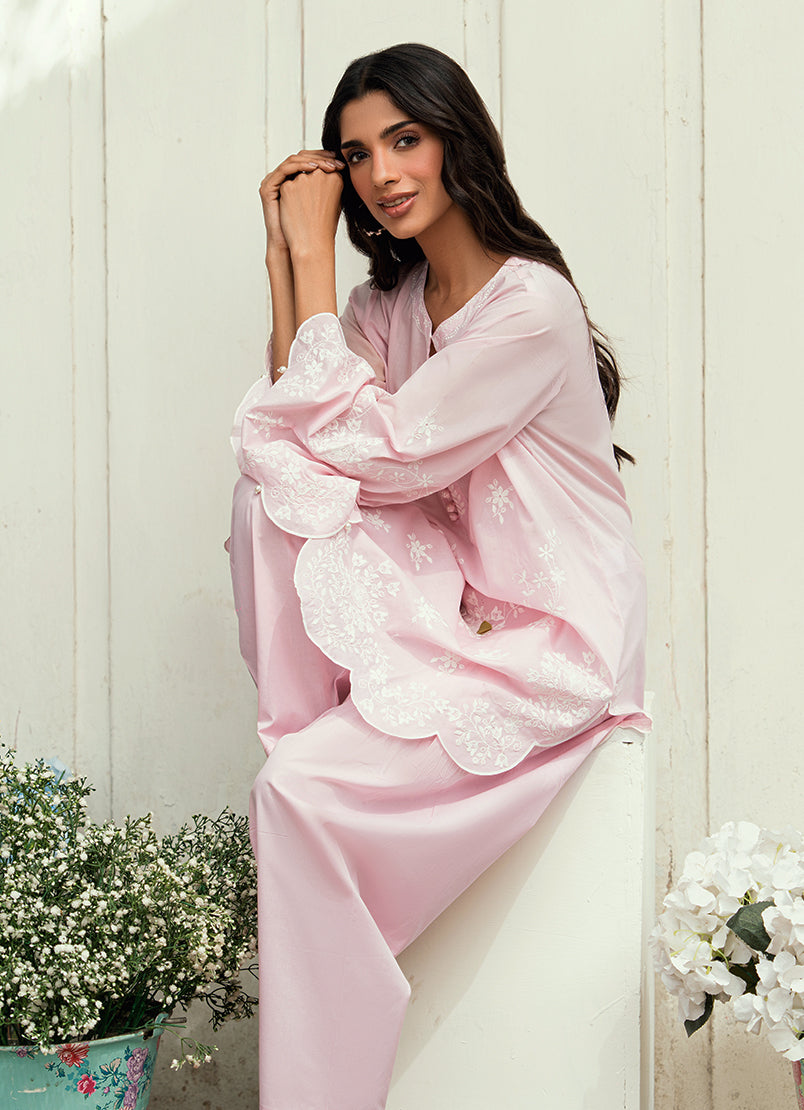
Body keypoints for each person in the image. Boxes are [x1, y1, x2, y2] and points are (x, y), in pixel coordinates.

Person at [228, 42, 650, 1110]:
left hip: (548, 640)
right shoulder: (389, 305)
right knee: (268, 479)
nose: (381, 174)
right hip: (450, 606)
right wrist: (284, 259)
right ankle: (312, 726)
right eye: (356, 155)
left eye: (404, 139)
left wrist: (313, 261)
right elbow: (298, 428)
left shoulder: (531, 306)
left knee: (295, 798)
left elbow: (386, 454)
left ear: (457, 139)